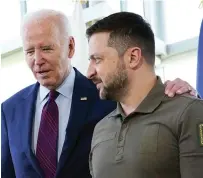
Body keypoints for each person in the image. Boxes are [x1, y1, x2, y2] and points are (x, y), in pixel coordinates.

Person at [1, 10, 197, 178]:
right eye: (29, 52)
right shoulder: (10, 110)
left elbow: (142, 88)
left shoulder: (107, 93)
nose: (37, 60)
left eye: (46, 48)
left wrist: (183, 93)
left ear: (70, 47)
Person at [87, 12, 203, 178]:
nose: (89, 72)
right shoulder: (100, 128)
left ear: (133, 57)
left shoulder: (189, 112)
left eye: (97, 59)